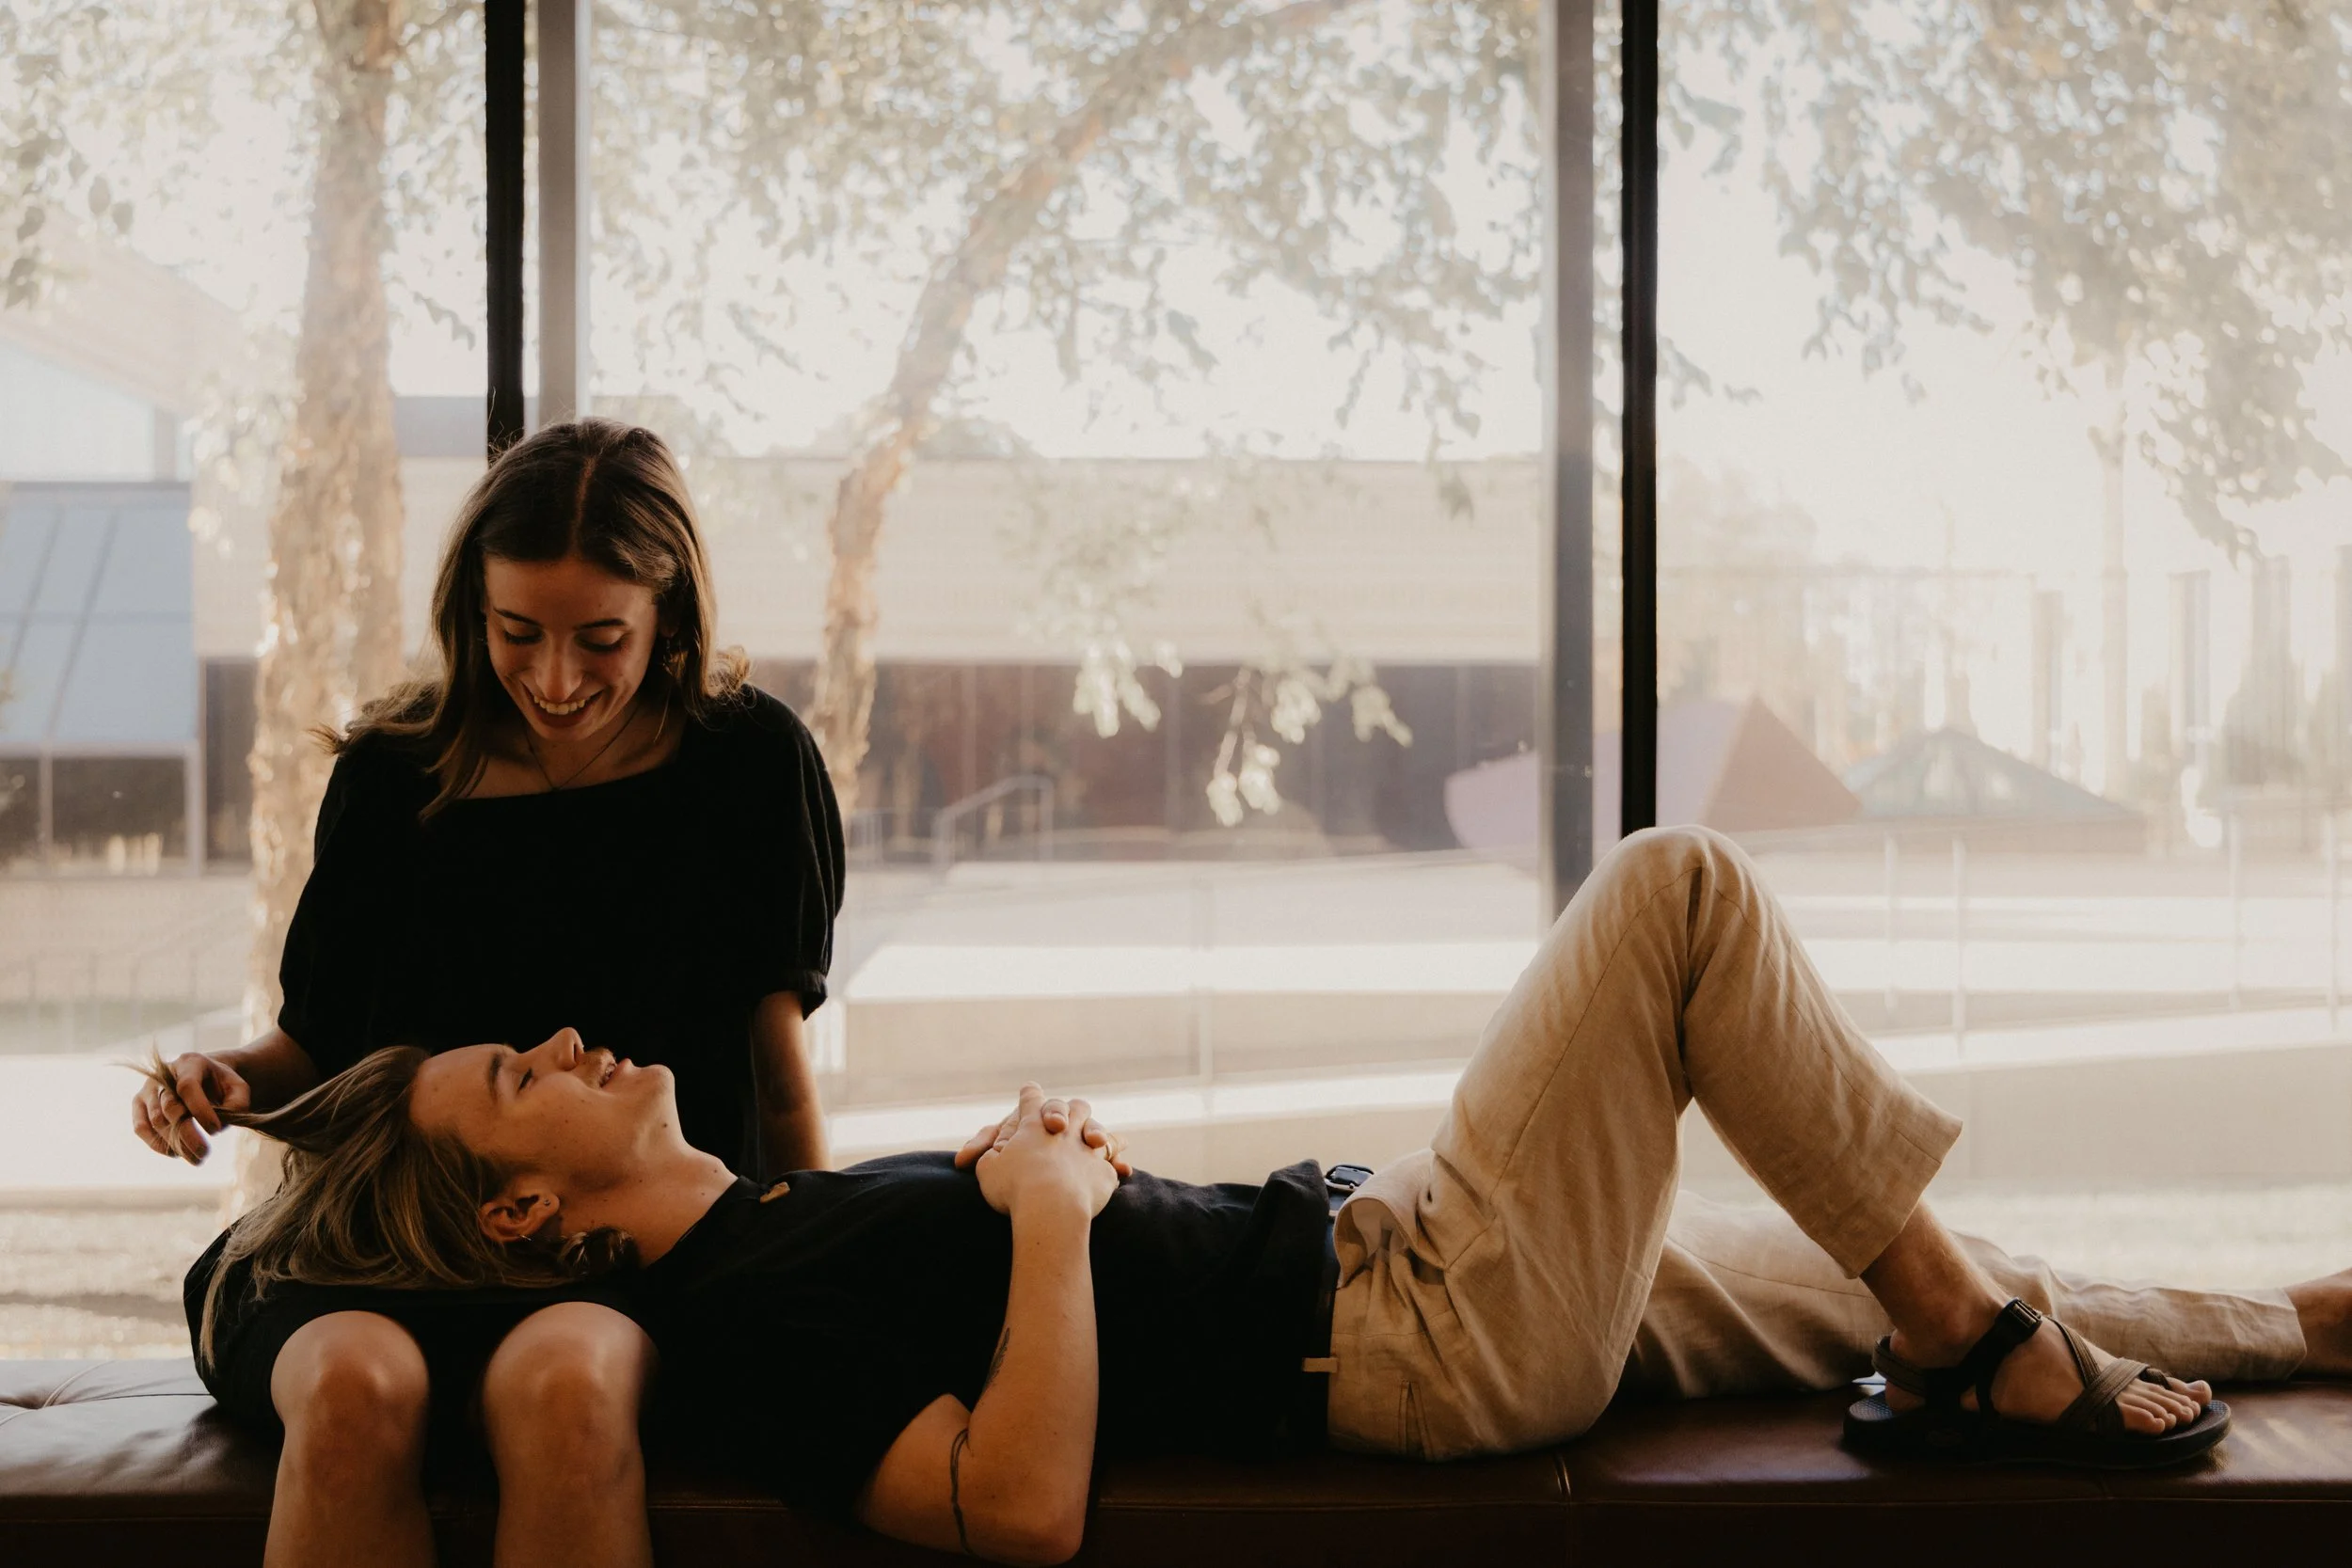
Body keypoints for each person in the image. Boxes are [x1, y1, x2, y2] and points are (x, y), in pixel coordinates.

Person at [170, 828, 2352, 1567]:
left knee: (1819, 1273)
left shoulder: (759, 1231)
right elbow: (1010, 1510)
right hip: (1412, 1330)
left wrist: (1063, 1188)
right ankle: (1977, 1349)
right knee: (1673, 897)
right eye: (516, 1081)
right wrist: (1037, 1209)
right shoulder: (732, 1326)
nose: (563, 1043)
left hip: (1382, 1252)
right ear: (532, 1222)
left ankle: (2278, 1323)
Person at [130, 420, 846, 1568]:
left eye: (601, 637)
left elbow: (776, 1074)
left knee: (566, 1385)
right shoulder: (391, 776)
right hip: (372, 1246)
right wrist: (217, 1082)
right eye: (518, 633)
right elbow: (314, 1046)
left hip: (618, 1257)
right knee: (358, 1387)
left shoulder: (751, 766)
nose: (557, 680)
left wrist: (822, 1261)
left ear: (668, 616)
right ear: (473, 611)